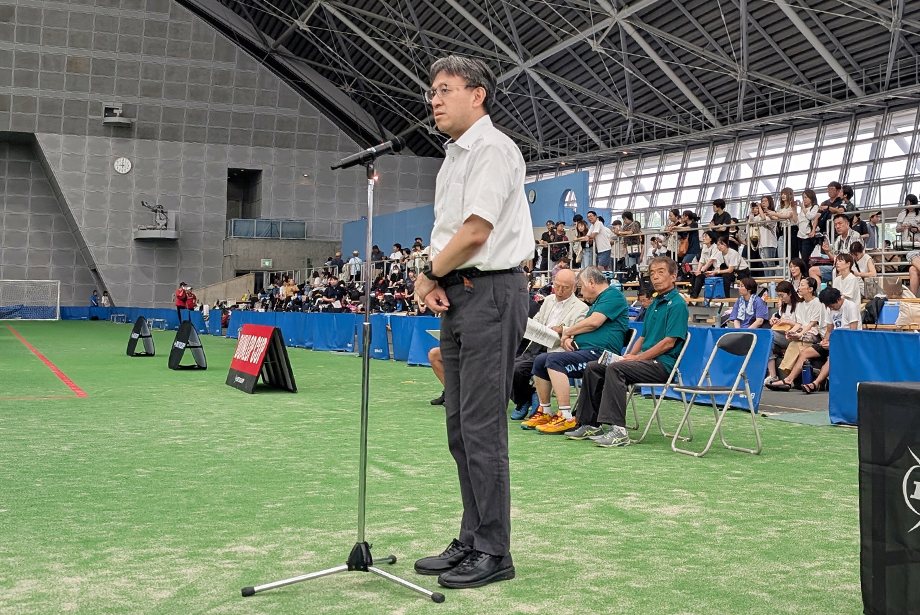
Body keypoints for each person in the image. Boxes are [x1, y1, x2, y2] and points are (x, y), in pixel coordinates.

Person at [412, 55, 533, 589]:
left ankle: (494, 550)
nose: (433, 100)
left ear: (477, 94)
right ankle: (471, 536)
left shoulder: (490, 148)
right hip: (460, 293)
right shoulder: (453, 157)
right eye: (431, 92)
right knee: (461, 428)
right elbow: (450, 231)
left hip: (490, 292)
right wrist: (435, 277)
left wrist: (424, 272)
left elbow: (476, 232)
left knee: (483, 428)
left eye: (444, 90)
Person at [565, 257, 689, 446]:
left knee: (616, 369)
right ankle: (590, 423)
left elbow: (668, 344)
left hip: (663, 365)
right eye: (652, 273)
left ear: (674, 276)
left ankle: (619, 431)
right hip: (645, 362)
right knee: (594, 366)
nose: (655, 277)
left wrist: (636, 358)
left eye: (661, 272)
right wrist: (626, 356)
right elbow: (642, 337)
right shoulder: (654, 303)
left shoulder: (678, 305)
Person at [525, 267, 629, 435]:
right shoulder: (598, 301)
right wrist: (570, 337)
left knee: (554, 360)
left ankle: (565, 416)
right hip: (587, 350)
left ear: (592, 283)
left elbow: (593, 323)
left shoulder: (613, 295)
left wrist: (568, 332)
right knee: (541, 359)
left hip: (601, 354)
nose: (580, 291)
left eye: (580, 286)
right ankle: (545, 411)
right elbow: (587, 327)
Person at [509, 269, 588, 420]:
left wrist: (561, 330)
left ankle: (527, 400)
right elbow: (537, 319)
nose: (559, 290)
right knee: (508, 367)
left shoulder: (581, 308)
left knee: (518, 369)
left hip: (555, 349)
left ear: (574, 287)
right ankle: (527, 397)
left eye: (564, 287)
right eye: (556, 285)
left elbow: (576, 330)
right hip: (536, 343)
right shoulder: (548, 300)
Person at [767, 286, 860, 393]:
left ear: (839, 299)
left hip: (849, 343)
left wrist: (832, 344)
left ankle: (815, 384)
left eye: (832, 306)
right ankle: (788, 380)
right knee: (804, 353)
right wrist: (825, 341)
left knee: (832, 357)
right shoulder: (830, 309)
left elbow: (853, 333)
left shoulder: (850, 307)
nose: (831, 309)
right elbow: (829, 330)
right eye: (828, 307)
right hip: (834, 341)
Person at [764, 280, 800, 385]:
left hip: (794, 335)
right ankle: (773, 375)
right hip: (782, 334)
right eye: (779, 296)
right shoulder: (783, 307)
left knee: (768, 336)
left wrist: (786, 321)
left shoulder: (799, 305)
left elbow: (801, 324)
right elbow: (782, 322)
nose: (781, 298)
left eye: (782, 295)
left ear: (789, 293)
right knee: (767, 343)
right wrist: (775, 320)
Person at [808, 213, 857, 283]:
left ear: (847, 224)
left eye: (840, 223)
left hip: (851, 268)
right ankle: (819, 293)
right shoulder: (838, 239)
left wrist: (843, 268)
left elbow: (857, 257)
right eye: (835, 225)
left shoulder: (855, 236)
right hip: (837, 268)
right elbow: (835, 258)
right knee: (812, 270)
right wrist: (827, 252)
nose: (837, 226)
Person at [689, 231, 721, 299]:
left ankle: (694, 294)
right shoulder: (705, 247)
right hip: (707, 269)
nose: (703, 238)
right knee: (694, 275)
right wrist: (698, 270)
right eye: (703, 237)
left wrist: (701, 271)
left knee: (700, 276)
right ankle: (691, 293)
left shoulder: (715, 247)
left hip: (716, 270)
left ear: (711, 239)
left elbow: (711, 261)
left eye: (705, 236)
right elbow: (701, 260)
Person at [797, 189, 820, 265]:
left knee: (805, 258)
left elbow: (811, 216)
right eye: (803, 198)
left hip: (808, 235)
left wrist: (802, 207)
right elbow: (798, 221)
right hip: (800, 235)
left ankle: (806, 274)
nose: (804, 199)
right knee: (802, 257)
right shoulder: (802, 210)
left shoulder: (815, 207)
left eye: (806, 197)